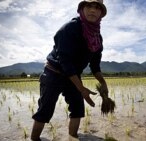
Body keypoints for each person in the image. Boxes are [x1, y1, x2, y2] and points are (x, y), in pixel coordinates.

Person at [30, 0, 108, 141]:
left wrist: (103, 82)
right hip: (54, 72)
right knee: (45, 110)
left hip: (74, 76)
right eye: (89, 6)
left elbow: (95, 65)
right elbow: (65, 62)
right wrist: (81, 89)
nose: (93, 10)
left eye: (97, 8)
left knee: (78, 109)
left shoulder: (97, 38)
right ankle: (34, 139)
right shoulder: (69, 29)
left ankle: (73, 138)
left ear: (101, 14)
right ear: (81, 9)